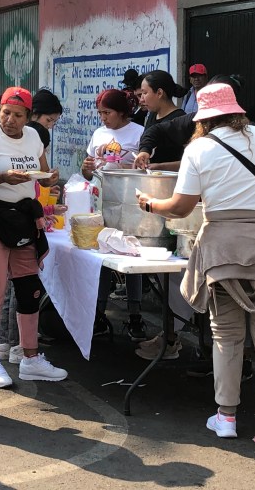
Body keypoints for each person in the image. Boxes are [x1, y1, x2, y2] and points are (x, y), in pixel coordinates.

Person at [135, 82, 255, 441]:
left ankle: (227, 417)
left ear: (203, 118)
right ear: (236, 111)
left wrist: (148, 204)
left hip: (224, 244)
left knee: (227, 335)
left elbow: (180, 207)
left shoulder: (199, 147)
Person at [0, 86, 67, 388]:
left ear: (28, 117)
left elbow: (44, 173)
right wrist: (0, 178)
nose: (10, 119)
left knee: (29, 289)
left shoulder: (34, 137)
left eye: (17, 114)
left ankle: (30, 358)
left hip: (23, 219)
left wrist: (50, 180)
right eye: (5, 113)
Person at [81, 89, 146, 339]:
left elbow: (147, 167)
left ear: (122, 112)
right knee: (102, 255)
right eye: (100, 113)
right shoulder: (99, 134)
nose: (103, 118)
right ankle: (98, 312)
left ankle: (135, 314)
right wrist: (86, 167)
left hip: (130, 202)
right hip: (101, 202)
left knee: (130, 256)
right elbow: (88, 170)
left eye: (107, 113)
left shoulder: (139, 132)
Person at [131, 71, 187, 166]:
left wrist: (160, 167)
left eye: (144, 93)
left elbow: (190, 163)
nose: (141, 99)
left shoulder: (181, 119)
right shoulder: (152, 115)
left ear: (159, 93)